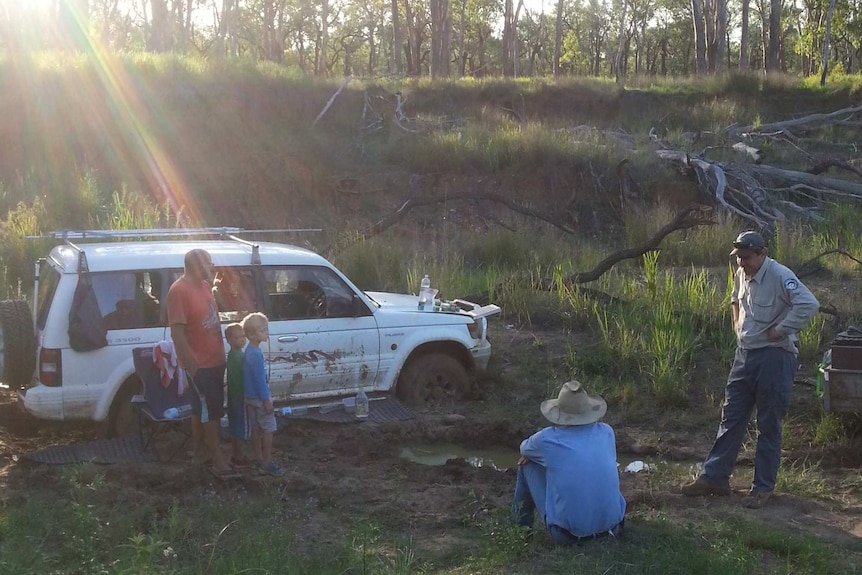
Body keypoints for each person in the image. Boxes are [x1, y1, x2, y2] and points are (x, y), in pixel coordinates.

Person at [682, 231, 819, 509]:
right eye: (738, 258)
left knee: (768, 424)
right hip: (744, 355)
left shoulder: (780, 274)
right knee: (731, 417)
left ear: (761, 254)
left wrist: (781, 330)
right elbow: (735, 299)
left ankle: (762, 488)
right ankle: (715, 478)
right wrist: (735, 324)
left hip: (774, 358)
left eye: (745, 258)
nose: (741, 263)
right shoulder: (741, 273)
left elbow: (809, 304)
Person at [512, 380, 626, 543]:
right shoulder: (607, 432)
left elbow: (524, 448)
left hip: (569, 536)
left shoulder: (547, 439)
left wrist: (535, 456)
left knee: (527, 465)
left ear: (559, 412)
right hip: (613, 529)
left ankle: (520, 532)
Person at [167, 249, 237, 479]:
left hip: (216, 360)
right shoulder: (179, 291)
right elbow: (177, 333)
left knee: (201, 410)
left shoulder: (205, 286)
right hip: (200, 365)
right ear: (197, 265)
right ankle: (218, 459)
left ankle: (199, 453)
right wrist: (192, 366)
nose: (212, 266)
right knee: (211, 412)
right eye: (208, 262)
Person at [241, 312, 284, 476]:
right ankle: (267, 462)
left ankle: (258, 458)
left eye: (266, 329)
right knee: (269, 429)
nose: (266, 333)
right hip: (259, 398)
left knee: (255, 429)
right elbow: (259, 380)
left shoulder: (248, 352)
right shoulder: (257, 355)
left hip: (249, 397)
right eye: (262, 330)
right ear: (251, 334)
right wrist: (266, 400)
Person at [224, 322, 251, 468]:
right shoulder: (239, 357)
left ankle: (235, 454)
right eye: (237, 338)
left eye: (243, 337)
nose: (241, 340)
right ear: (229, 340)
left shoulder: (233, 355)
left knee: (234, 425)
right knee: (240, 426)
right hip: (239, 397)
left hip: (233, 396)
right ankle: (239, 456)